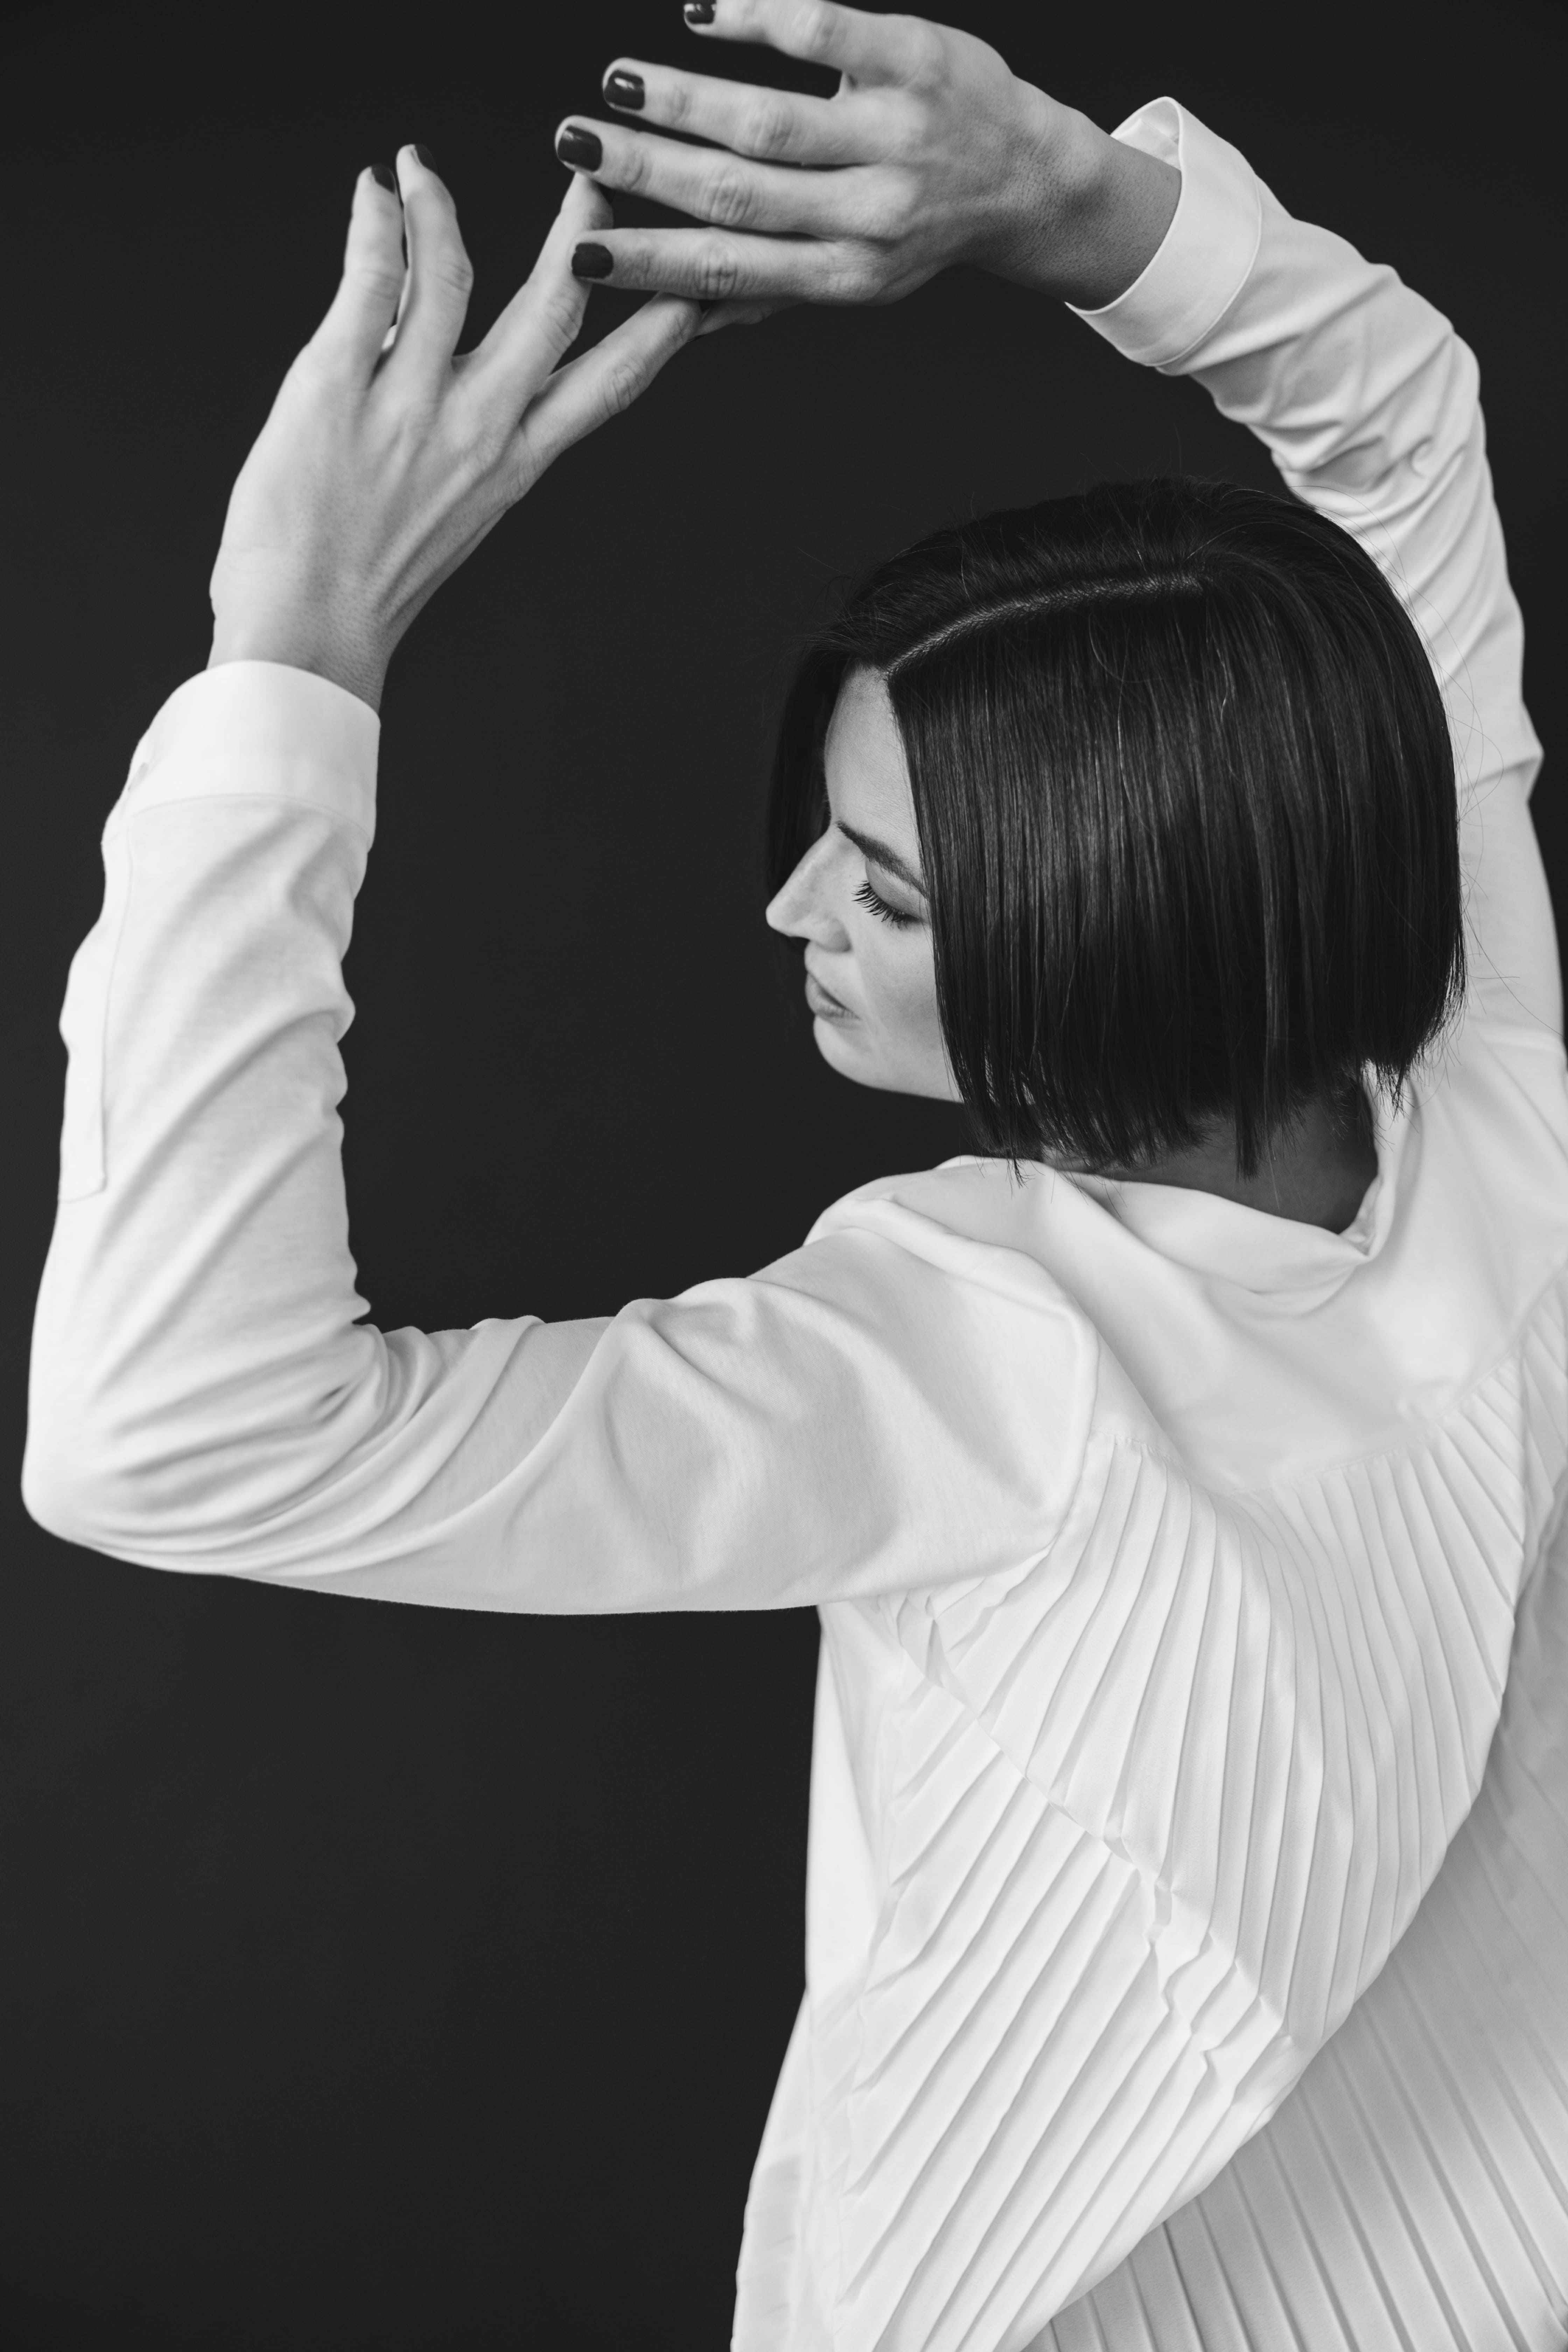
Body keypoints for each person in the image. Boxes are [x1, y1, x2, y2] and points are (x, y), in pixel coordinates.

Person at [23, 4, 1567, 2346]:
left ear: (1117, 932)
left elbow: (176, 1436)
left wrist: (294, 657)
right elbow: (1405, 424)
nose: (784, 914)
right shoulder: (1491, 1077)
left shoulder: (982, 1353)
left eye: (889, 888)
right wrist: (1059, 202)